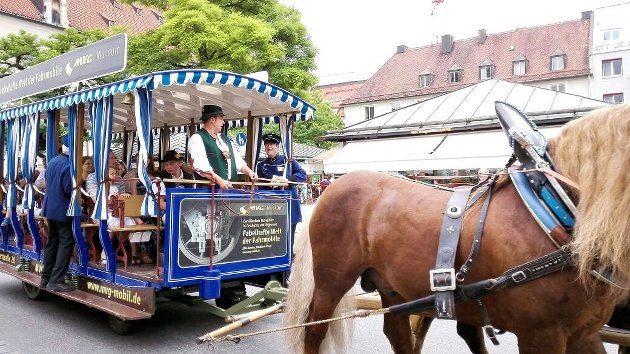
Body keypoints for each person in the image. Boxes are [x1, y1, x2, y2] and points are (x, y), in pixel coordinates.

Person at [256, 133, 307, 251]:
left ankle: (287, 263)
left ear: (277, 146)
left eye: (272, 144)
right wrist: (270, 185)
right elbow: (261, 188)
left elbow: (302, 174)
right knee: (273, 237)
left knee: (288, 237)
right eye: (267, 144)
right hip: (271, 206)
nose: (269, 147)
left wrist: (287, 180)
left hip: (288, 205)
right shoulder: (261, 165)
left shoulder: (287, 161)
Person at [188, 105, 257, 189]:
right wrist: (219, 180)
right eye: (221, 118)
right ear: (212, 120)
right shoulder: (197, 138)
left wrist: (250, 172)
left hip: (229, 189)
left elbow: (237, 161)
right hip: (209, 191)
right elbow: (201, 166)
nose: (223, 122)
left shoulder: (224, 138)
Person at [40, 135, 75, 292]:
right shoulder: (68, 165)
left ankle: (45, 278)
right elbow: (68, 189)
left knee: (52, 243)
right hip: (63, 210)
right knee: (66, 242)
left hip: (50, 209)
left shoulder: (52, 161)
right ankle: (56, 280)